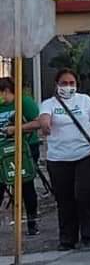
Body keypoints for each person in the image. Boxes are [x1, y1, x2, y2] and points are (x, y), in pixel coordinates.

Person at [36, 69, 90, 252]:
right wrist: (45, 124)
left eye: (71, 83)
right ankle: (67, 238)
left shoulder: (84, 100)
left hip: (85, 155)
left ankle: (88, 234)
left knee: (85, 194)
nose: (68, 86)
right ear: (56, 84)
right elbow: (44, 118)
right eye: (64, 83)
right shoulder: (49, 104)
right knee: (65, 199)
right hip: (58, 159)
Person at [0, 77, 41, 235]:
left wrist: (17, 129)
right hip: (3, 151)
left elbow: (38, 123)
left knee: (26, 185)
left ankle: (32, 222)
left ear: (6, 91)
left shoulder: (24, 102)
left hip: (24, 150)